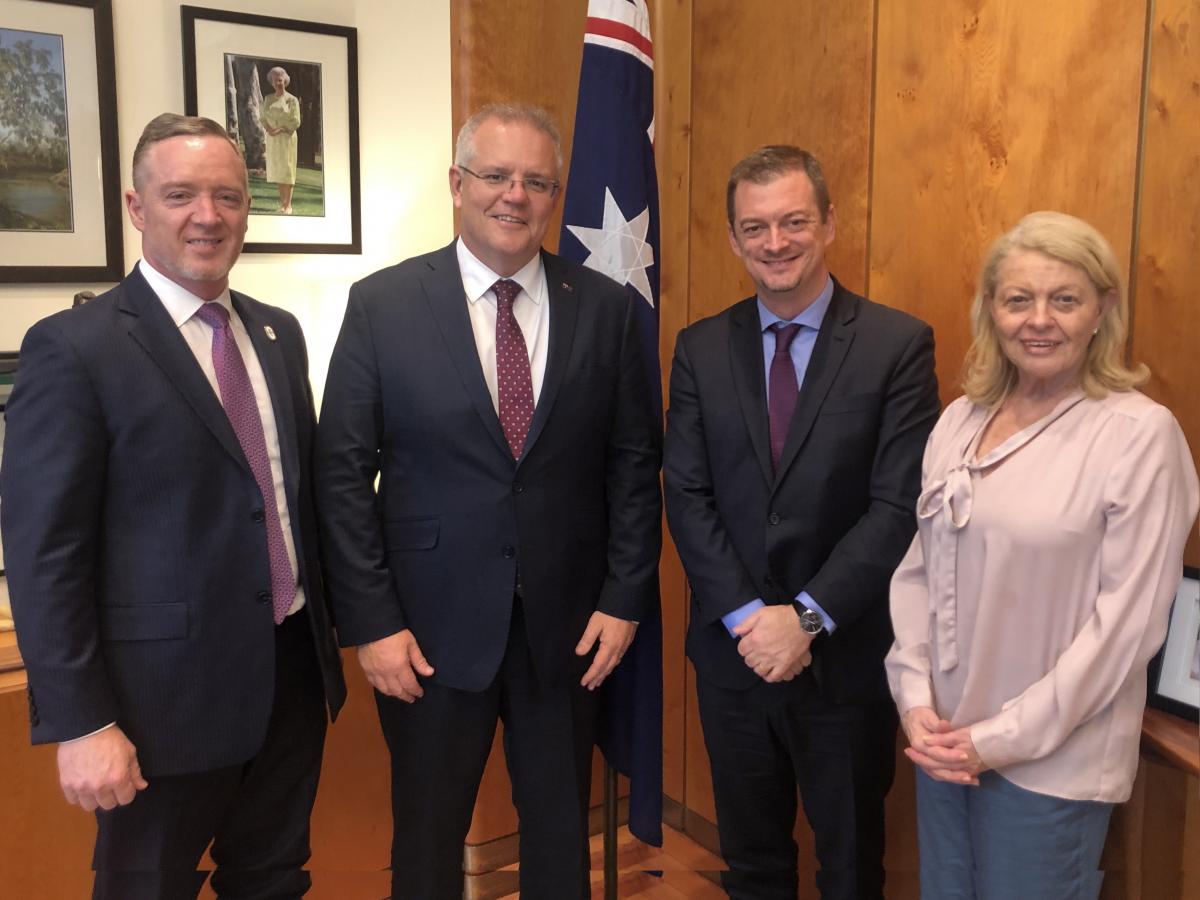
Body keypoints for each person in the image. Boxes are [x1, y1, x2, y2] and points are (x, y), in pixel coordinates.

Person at [315, 102, 662, 899]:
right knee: (428, 846)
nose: (515, 196)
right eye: (496, 175)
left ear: (556, 193)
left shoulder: (604, 310)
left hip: (568, 632)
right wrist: (370, 623)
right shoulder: (383, 304)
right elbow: (341, 475)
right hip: (427, 638)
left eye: (537, 181)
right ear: (457, 183)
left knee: (561, 844)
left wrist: (623, 598)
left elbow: (633, 464)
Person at [1, 113, 346, 900]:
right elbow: (44, 552)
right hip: (157, 706)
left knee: (273, 881)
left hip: (288, 678)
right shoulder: (74, 347)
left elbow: (292, 503)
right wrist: (83, 724)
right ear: (136, 207)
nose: (208, 215)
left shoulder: (277, 333)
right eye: (181, 194)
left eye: (227, 196)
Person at [886, 210, 1199, 899]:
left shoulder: (1138, 437)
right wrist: (916, 703)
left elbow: (1125, 632)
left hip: (1050, 765)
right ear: (991, 310)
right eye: (1018, 298)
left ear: (1102, 311)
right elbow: (917, 572)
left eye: (1065, 299)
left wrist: (996, 740)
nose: (1039, 320)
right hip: (942, 744)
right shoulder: (959, 419)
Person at [663, 145, 939, 899]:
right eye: (755, 227)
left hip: (844, 660)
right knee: (752, 864)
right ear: (733, 238)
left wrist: (807, 619)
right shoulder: (699, 348)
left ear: (828, 223)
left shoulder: (896, 345)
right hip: (735, 658)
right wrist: (754, 620)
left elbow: (898, 505)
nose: (775, 243)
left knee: (849, 865)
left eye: (793, 222)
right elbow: (686, 496)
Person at [262, 66, 300, 214]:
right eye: (275, 80)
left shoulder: (292, 100)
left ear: (285, 81)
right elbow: (263, 117)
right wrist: (269, 129)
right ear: (271, 82)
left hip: (287, 138)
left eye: (280, 80)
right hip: (273, 139)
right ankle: (282, 204)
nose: (278, 83)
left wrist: (281, 128)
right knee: (278, 170)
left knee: (287, 169)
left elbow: (296, 121)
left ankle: (288, 205)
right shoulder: (268, 99)